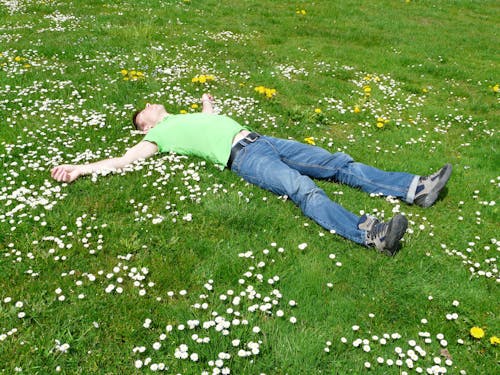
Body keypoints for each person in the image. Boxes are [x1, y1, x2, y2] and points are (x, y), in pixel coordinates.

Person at [51, 93, 452, 256]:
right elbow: (122, 161)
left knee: (336, 162)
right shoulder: (156, 136)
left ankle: (415, 188)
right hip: (242, 157)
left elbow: (209, 118)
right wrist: (80, 168)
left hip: (264, 140)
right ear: (144, 126)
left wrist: (208, 102)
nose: (152, 105)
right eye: (146, 111)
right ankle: (371, 234)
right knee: (302, 189)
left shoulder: (184, 116)